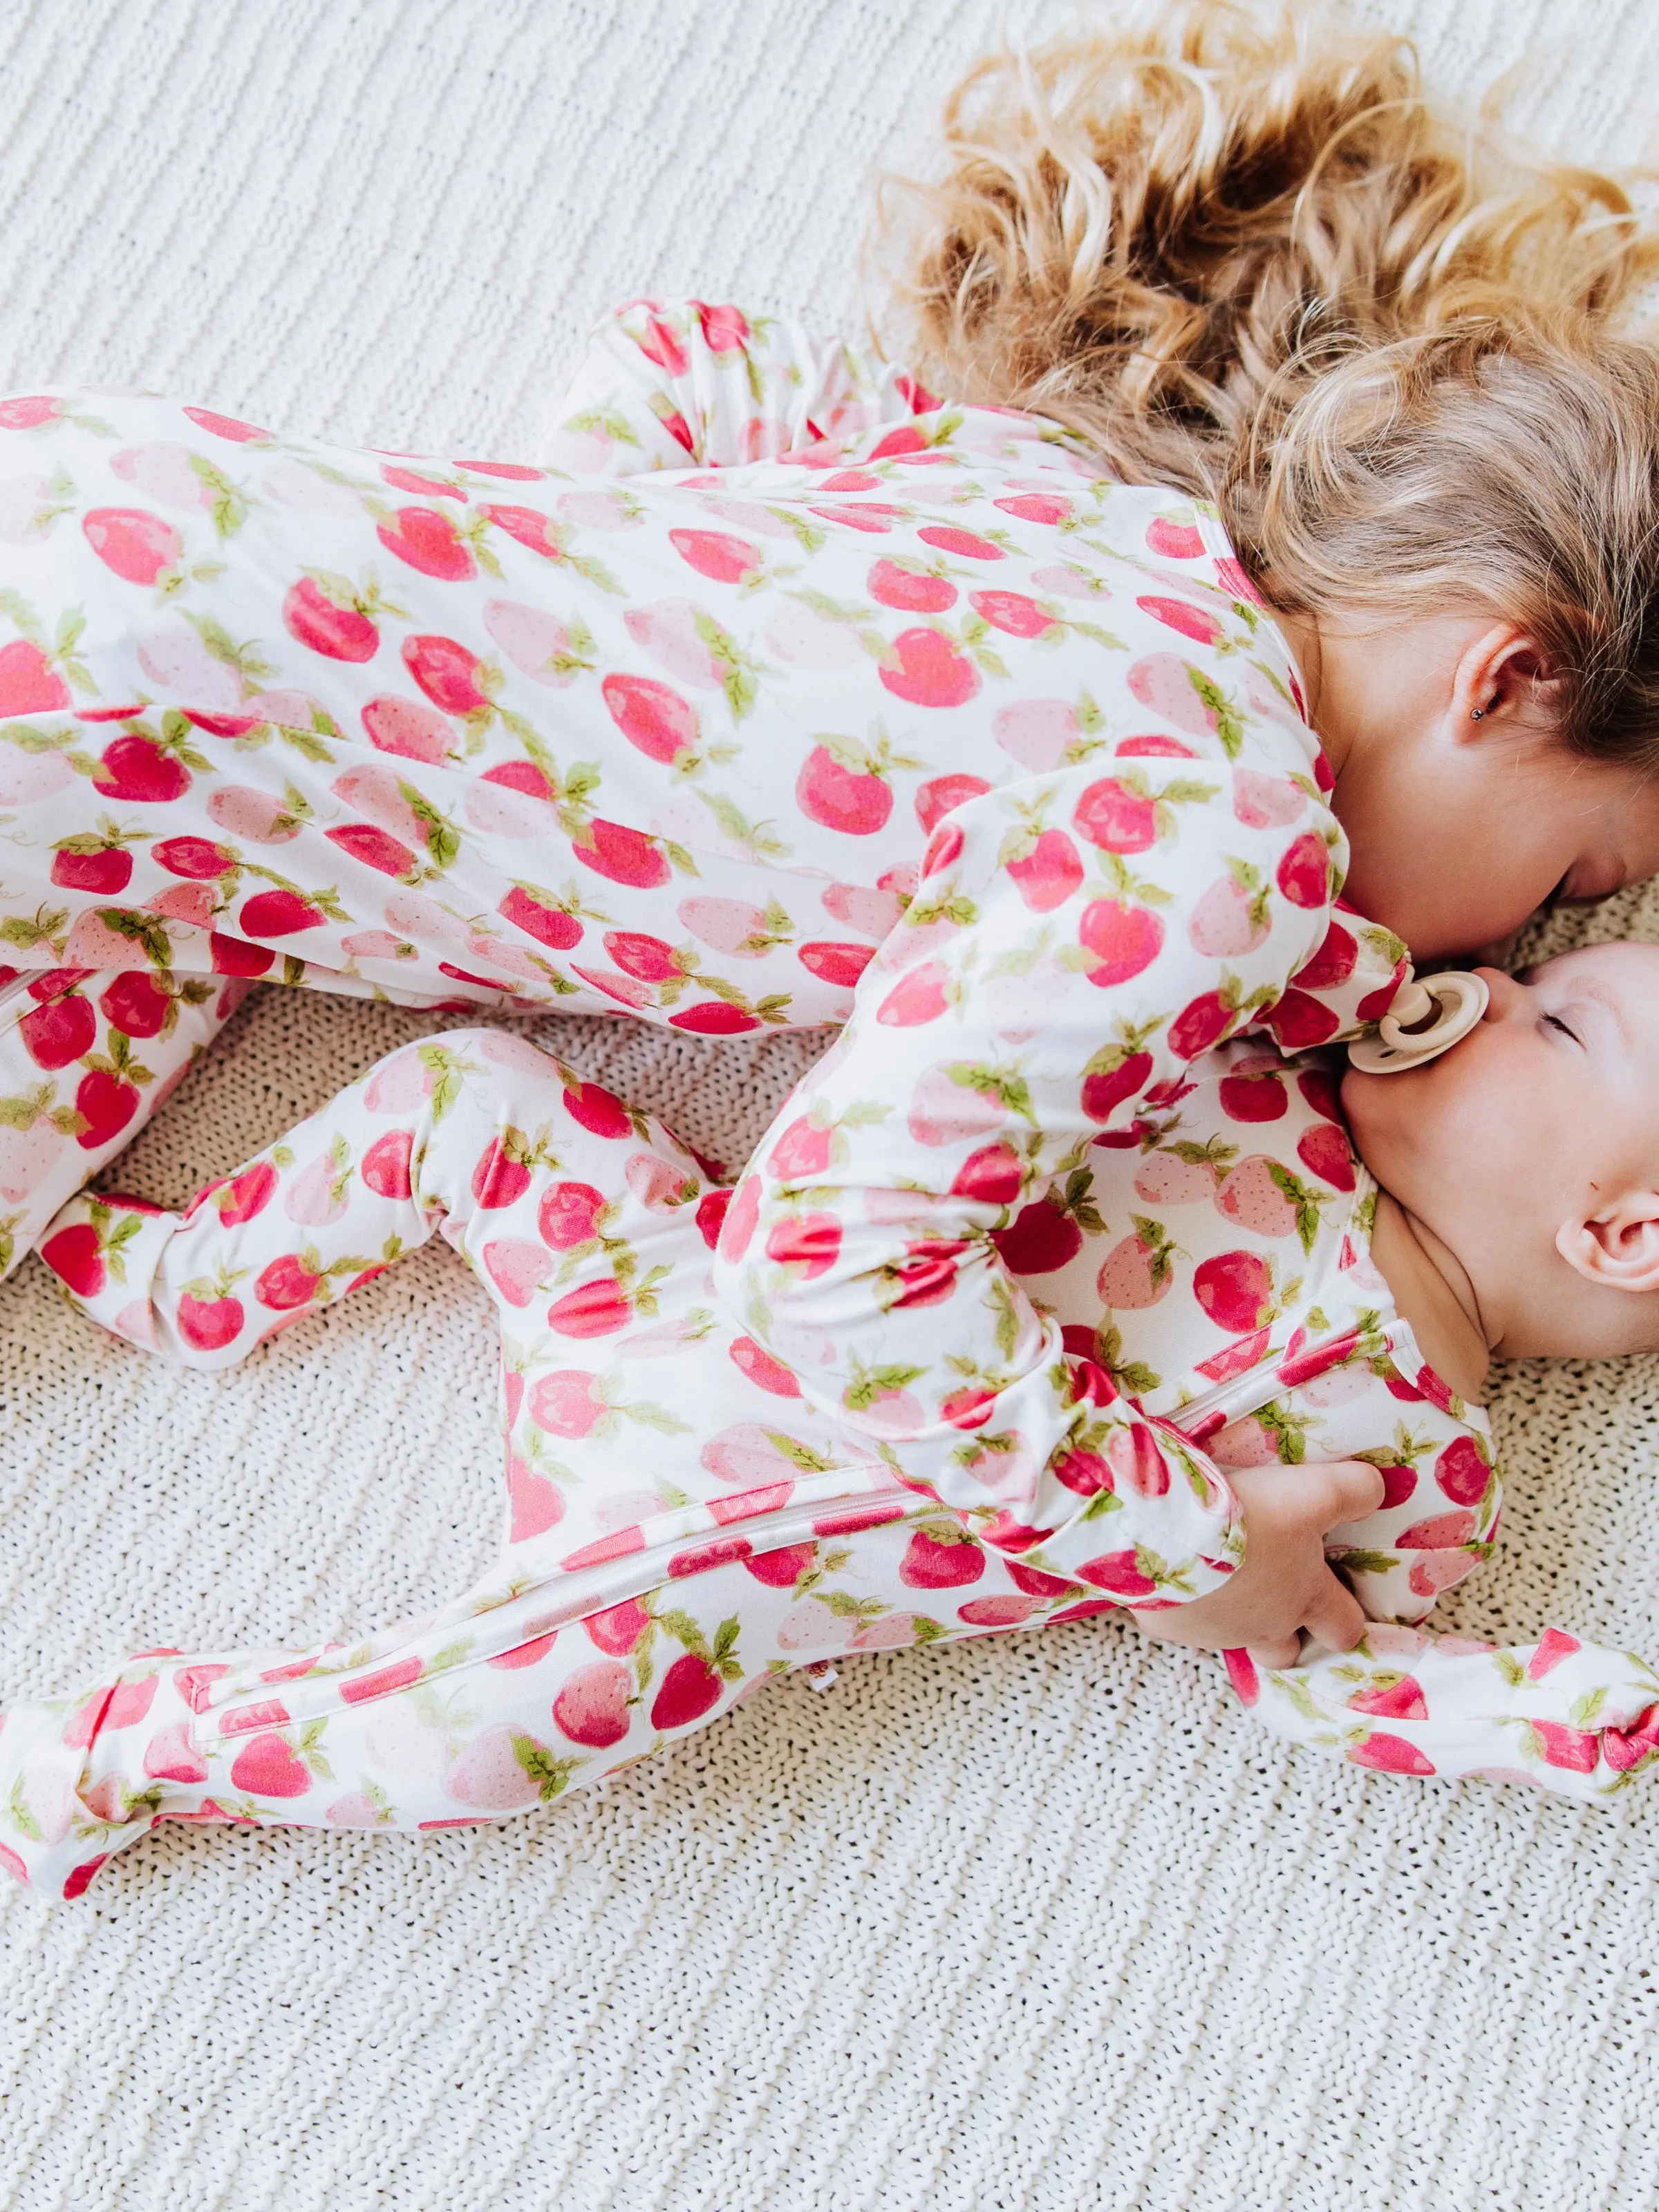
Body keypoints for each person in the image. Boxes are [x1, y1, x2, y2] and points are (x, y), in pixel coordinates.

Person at [5, 6, 1659, 1704]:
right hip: (95, 728)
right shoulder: (1222, 857)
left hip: (140, 531)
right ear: (1510, 676)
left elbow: (692, 352)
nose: (1502, 960)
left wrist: (496, 640)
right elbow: (830, 1259)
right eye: (1568, 890)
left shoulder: (1093, 511)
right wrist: (1176, 1536)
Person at [4, 935, 1658, 1900]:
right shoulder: (1248, 1065)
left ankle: (141, 1744)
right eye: (1534, 969)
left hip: (719, 1554)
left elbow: (1312, 1665)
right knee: (477, 1089)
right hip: (682, 1273)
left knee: (491, 1732)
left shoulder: (1431, 1473)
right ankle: (191, 1275)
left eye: (1560, 1019)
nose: (1488, 987)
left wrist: (1513, 1705)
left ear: (1622, 1231)